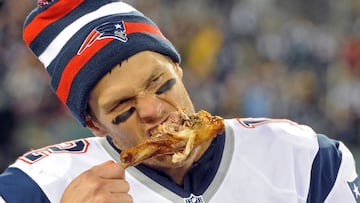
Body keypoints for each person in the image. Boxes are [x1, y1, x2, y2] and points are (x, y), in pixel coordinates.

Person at [0, 0, 359, 202]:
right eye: (123, 108)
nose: (153, 110)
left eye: (159, 83)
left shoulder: (304, 158)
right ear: (93, 122)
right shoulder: (38, 187)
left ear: (177, 67)